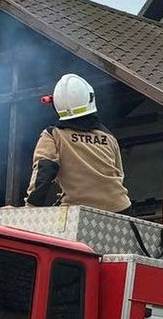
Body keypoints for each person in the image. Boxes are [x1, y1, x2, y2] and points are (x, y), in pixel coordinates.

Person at [25, 74, 135, 214]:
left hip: (78, 212)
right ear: (90, 99)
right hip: (121, 209)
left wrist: (30, 208)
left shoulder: (53, 135)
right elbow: (119, 173)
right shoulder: (108, 136)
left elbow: (44, 170)